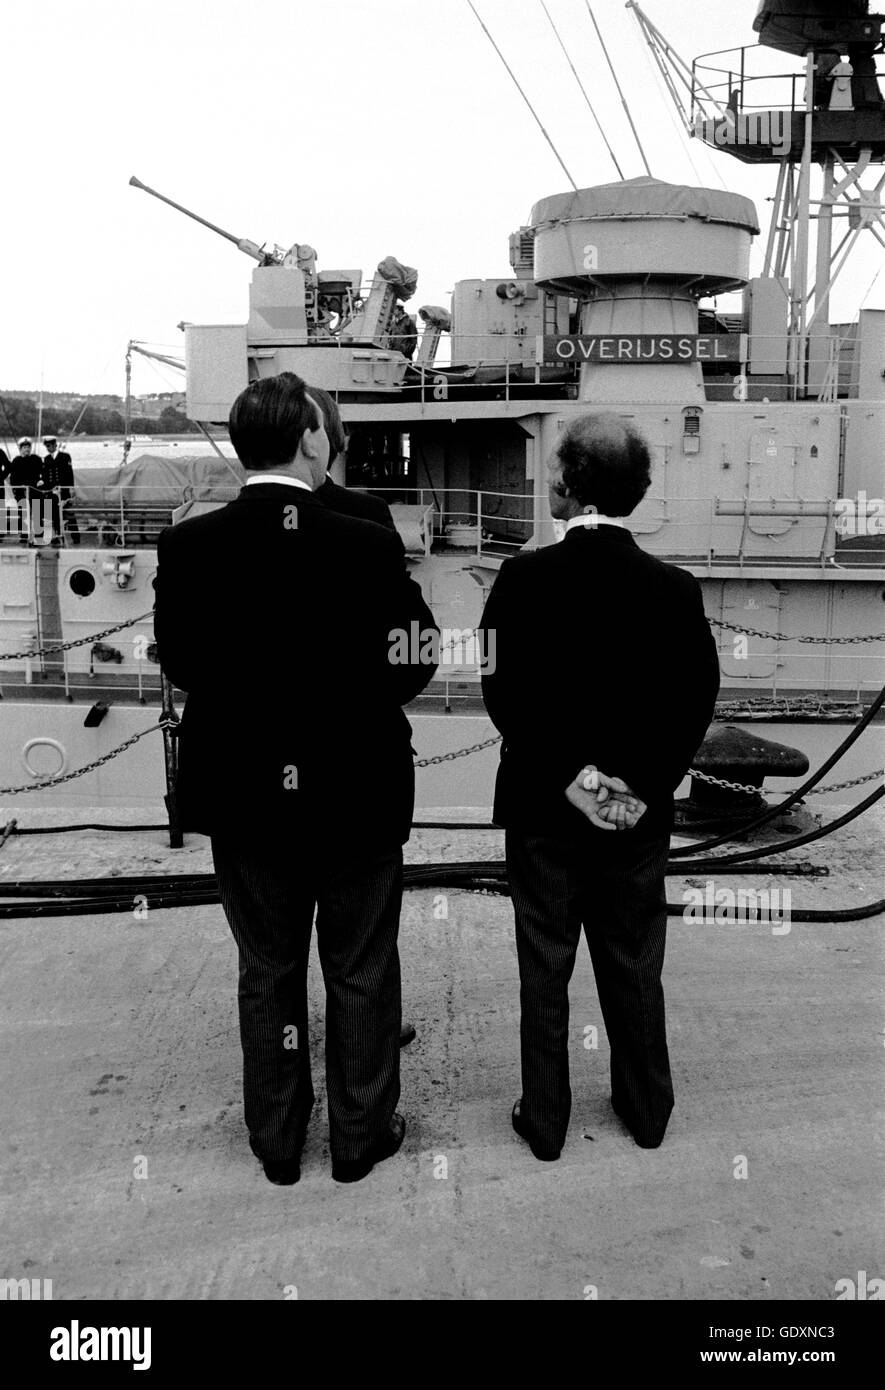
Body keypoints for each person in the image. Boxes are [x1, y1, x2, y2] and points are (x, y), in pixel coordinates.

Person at [153, 372, 438, 1186]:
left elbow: (184, 663)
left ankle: (277, 1144)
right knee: (360, 968)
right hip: (355, 792)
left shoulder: (188, 545)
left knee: (266, 970)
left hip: (246, 800)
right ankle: (359, 1138)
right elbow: (412, 654)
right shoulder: (364, 537)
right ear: (313, 440)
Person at [480, 413, 720, 1159]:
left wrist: (575, 782)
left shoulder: (522, 577)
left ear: (566, 482)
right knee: (632, 966)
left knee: (544, 969)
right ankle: (646, 1112)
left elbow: (503, 693)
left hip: (545, 812)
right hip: (634, 820)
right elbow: (693, 701)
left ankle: (545, 1122)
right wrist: (631, 791)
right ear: (637, 492)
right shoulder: (674, 589)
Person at [308, 385, 419, 1049]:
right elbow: (410, 646)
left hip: (264, 774)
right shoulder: (368, 516)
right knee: (366, 937)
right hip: (358, 762)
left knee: (272, 953)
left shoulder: (220, 524)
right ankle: (371, 1030)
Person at [37, 434, 80, 546]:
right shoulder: (46, 459)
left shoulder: (65, 457)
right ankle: (57, 534)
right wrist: (44, 485)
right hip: (52, 491)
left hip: (64, 490)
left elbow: (69, 473)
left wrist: (71, 487)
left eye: (50, 445)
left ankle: (76, 537)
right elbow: (46, 476)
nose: (49, 448)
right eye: (47, 446)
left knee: (70, 514)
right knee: (52, 512)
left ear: (55, 445)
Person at [9, 437, 42, 544]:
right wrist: (18, 488)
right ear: (20, 449)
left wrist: (40, 482)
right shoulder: (16, 461)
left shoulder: (36, 459)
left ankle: (38, 535)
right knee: (23, 513)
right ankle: (24, 534)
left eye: (28, 447)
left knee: (37, 512)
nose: (27, 449)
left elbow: (41, 473)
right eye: (24, 447)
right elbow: (13, 479)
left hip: (34, 490)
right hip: (21, 492)